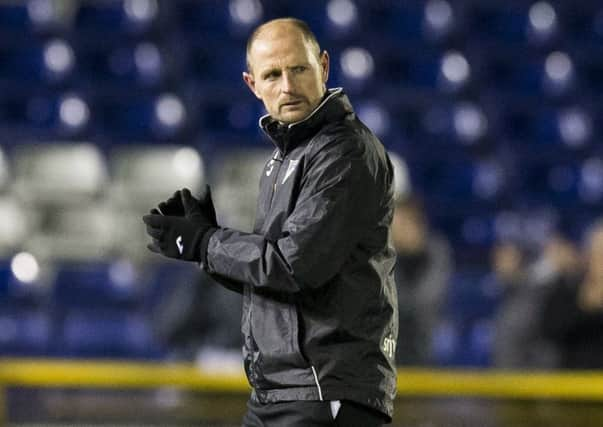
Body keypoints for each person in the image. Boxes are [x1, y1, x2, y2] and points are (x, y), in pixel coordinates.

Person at [142, 18, 398, 427]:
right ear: (252, 85)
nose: (287, 85)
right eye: (272, 74)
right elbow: (274, 280)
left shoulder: (344, 152)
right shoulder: (282, 160)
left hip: (324, 389)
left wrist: (207, 243)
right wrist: (209, 250)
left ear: (324, 67)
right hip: (282, 391)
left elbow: (295, 265)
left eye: (298, 69)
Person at [390, 195, 452, 365]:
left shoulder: (437, 252)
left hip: (428, 352)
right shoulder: (385, 255)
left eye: (407, 221)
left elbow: (423, 304)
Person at [540, 223, 603, 369]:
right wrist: (584, 307)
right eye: (599, 255)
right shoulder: (569, 287)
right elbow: (549, 330)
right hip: (575, 382)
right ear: (589, 256)